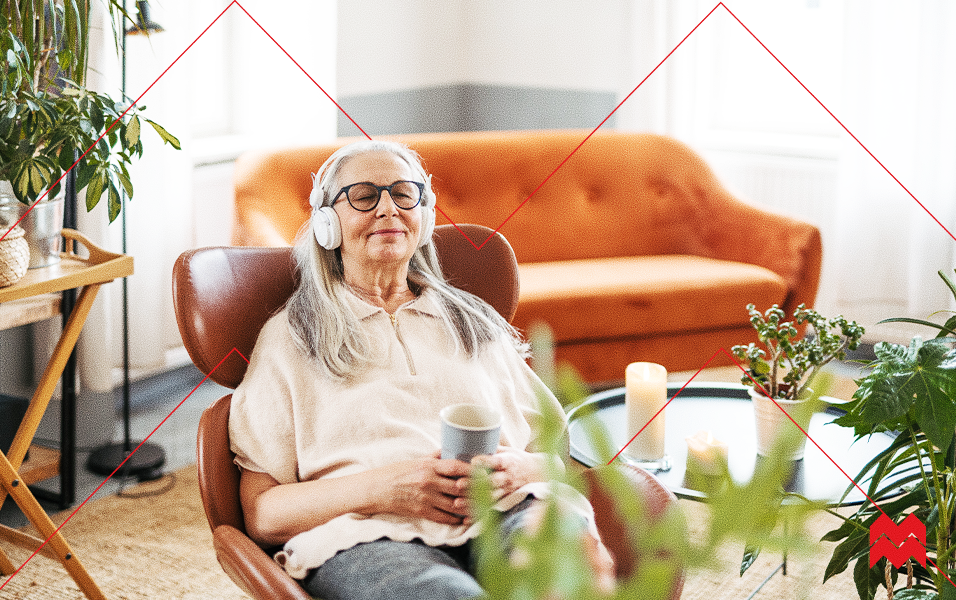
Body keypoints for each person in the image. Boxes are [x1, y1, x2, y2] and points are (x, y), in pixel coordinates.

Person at [228, 140, 613, 600]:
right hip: (364, 534)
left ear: (424, 215)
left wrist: (520, 471)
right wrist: (383, 487)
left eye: (403, 193)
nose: (388, 208)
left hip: (507, 510)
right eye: (364, 195)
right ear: (328, 224)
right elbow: (264, 514)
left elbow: (555, 457)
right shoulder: (291, 337)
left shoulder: (472, 321)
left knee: (568, 578)